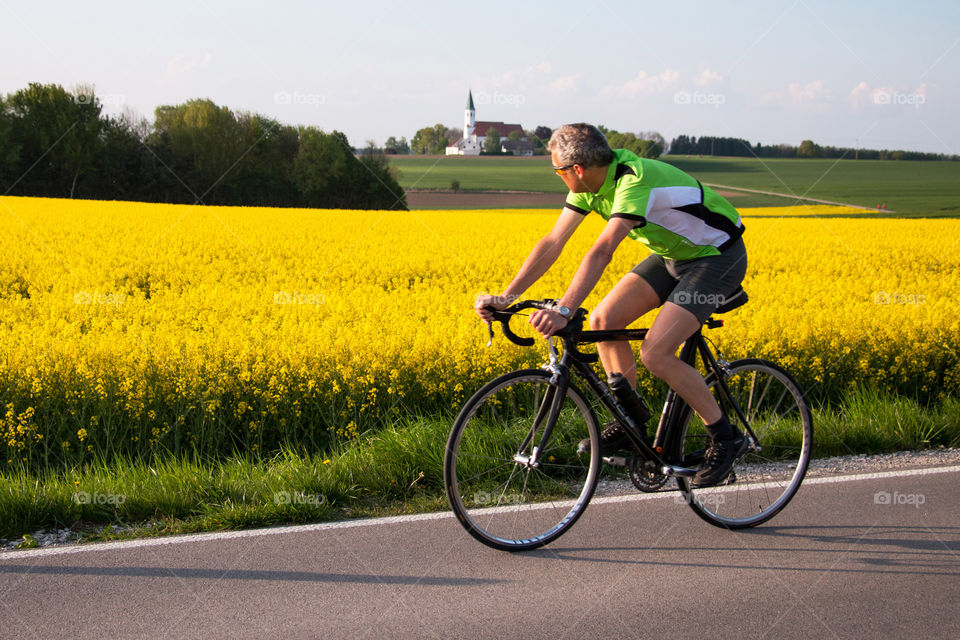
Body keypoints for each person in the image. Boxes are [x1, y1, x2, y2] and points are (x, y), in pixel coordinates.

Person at [475, 123, 748, 487]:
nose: (557, 177)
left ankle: (725, 438)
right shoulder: (593, 184)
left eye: (557, 171)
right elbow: (553, 242)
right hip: (673, 257)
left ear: (578, 170)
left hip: (717, 258)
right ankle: (631, 420)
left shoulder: (633, 181)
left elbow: (602, 250)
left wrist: (564, 310)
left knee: (657, 351)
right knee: (603, 320)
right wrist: (506, 297)